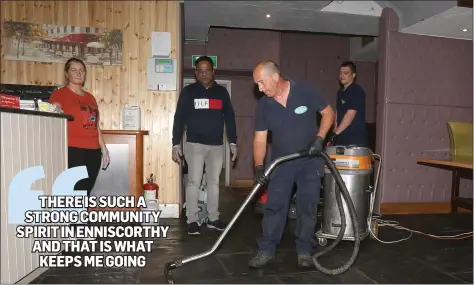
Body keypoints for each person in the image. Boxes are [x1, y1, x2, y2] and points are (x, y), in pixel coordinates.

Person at [250, 60, 335, 268]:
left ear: (275, 77)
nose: (260, 88)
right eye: (257, 85)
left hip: (310, 159)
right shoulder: (264, 105)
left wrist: (319, 139)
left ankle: (304, 250)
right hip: (282, 162)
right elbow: (260, 139)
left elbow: (328, 113)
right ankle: (267, 249)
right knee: (275, 206)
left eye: (262, 82)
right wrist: (259, 166)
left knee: (308, 206)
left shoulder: (306, 91)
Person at [172, 56, 238, 236]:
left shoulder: (221, 93)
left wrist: (233, 141)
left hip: (216, 146)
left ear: (213, 71)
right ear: (195, 73)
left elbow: (230, 118)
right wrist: (175, 143)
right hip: (194, 145)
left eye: (207, 69)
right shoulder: (188, 92)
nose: (203, 73)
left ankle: (213, 218)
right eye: (200, 70)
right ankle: (192, 219)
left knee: (214, 183)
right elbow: (179, 118)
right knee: (193, 182)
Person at [49, 57, 110, 197]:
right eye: (74, 70)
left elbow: (96, 125)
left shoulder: (90, 97)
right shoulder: (59, 94)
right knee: (75, 189)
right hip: (73, 148)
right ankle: (74, 218)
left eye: (81, 70)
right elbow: (55, 116)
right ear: (66, 73)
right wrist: (55, 110)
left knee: (86, 190)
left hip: (93, 150)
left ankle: (80, 217)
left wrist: (103, 148)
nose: (78, 73)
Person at [326, 61, 368, 147]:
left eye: (345, 73)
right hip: (341, 139)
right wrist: (334, 132)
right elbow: (338, 112)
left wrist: (336, 133)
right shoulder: (340, 92)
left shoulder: (356, 91)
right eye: (341, 73)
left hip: (354, 140)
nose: (342, 75)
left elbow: (350, 114)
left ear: (353, 75)